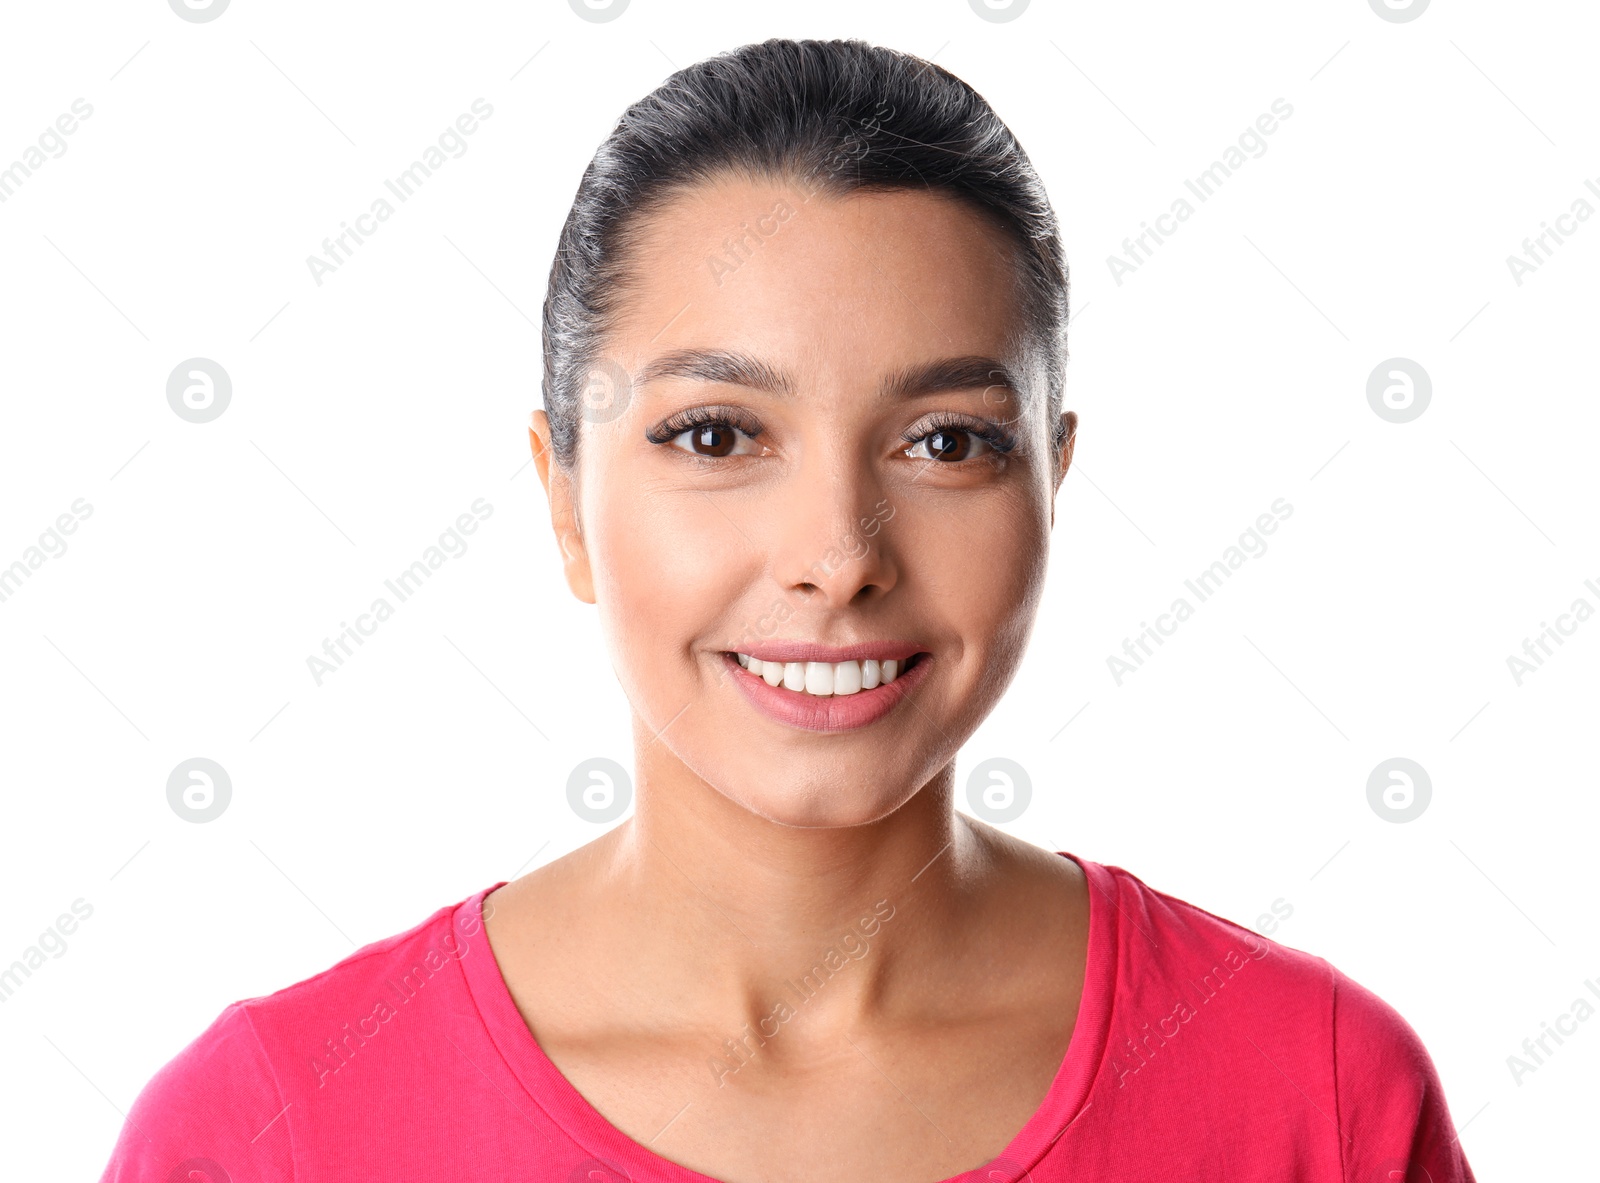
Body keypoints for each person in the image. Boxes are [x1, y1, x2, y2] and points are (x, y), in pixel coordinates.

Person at [100, 38, 1476, 1183]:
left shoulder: (1321, 1101)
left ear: (1053, 480)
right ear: (565, 500)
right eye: (714, 436)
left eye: (944, 442)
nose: (837, 557)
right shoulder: (266, 1131)